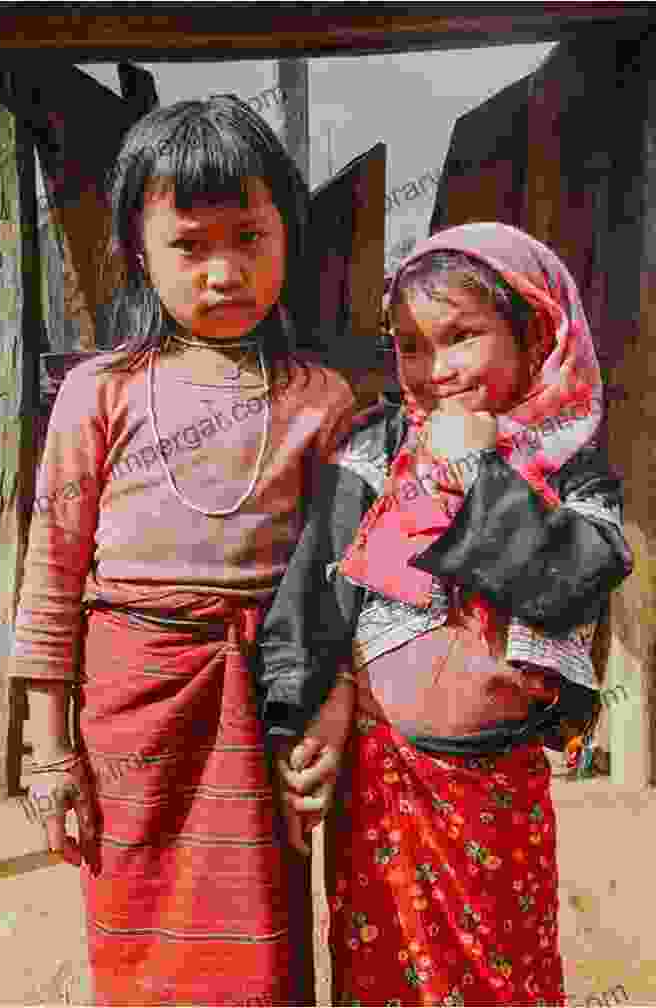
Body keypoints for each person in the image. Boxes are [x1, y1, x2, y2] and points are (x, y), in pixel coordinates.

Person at [11, 96, 356, 1007]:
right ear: (138, 251)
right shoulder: (98, 393)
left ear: (289, 235)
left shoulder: (321, 399)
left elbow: (347, 583)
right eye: (190, 245)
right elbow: (51, 576)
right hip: (135, 711)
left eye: (248, 237)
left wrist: (333, 711)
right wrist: (51, 757)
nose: (223, 271)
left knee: (260, 953)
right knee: (139, 940)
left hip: (265, 706)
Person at [258, 222, 633, 1006]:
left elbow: (574, 580)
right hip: (382, 781)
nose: (434, 371)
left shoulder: (568, 461)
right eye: (410, 346)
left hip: (497, 787)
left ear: (535, 331)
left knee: (501, 971)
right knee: (386, 969)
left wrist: (474, 468)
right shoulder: (372, 452)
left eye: (461, 337)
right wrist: (304, 711)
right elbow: (318, 590)